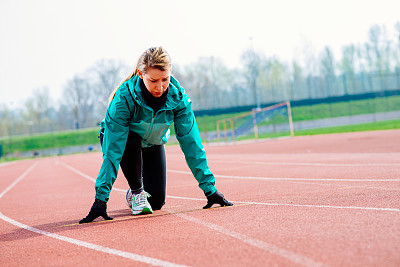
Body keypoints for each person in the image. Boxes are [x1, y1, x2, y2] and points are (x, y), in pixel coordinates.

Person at [79, 46, 232, 223]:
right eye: (153, 81)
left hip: (152, 143)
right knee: (130, 138)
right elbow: (112, 153)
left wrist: (210, 190)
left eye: (165, 79)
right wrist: (100, 200)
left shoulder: (179, 99)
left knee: (157, 202)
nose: (160, 87)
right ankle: (137, 192)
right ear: (141, 74)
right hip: (124, 142)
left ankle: (134, 193)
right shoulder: (123, 98)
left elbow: (193, 145)